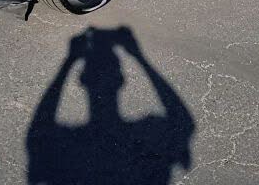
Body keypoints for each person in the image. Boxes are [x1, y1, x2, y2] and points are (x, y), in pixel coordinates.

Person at [27, 26, 195, 185]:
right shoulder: (139, 136)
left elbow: (39, 130)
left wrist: (69, 62)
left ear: (83, 80)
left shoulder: (74, 144)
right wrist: (139, 57)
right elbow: (184, 122)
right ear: (121, 81)